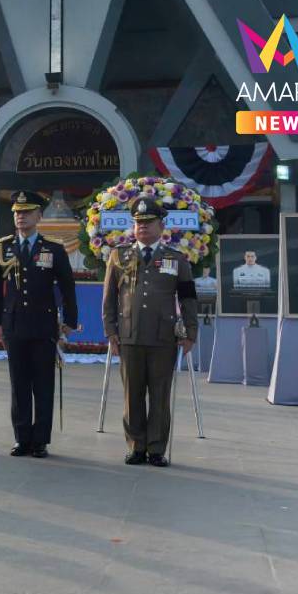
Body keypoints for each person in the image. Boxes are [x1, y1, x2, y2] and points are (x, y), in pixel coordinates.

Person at [102, 197, 199, 467]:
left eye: (148, 222)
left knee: (159, 395)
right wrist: (111, 332)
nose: (142, 227)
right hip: (129, 336)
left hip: (163, 337)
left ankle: (156, 448)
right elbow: (109, 298)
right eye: (138, 223)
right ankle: (136, 446)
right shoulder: (119, 256)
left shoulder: (176, 258)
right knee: (132, 395)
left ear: (161, 225)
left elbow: (188, 298)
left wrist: (190, 332)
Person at [0, 191, 77, 459]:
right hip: (14, 324)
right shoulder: (3, 246)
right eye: (17, 212)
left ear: (38, 216)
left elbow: (67, 287)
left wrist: (70, 320)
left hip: (43, 324)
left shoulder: (53, 248)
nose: (20, 216)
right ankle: (22, 438)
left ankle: (40, 440)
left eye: (26, 212)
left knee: (43, 383)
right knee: (19, 384)